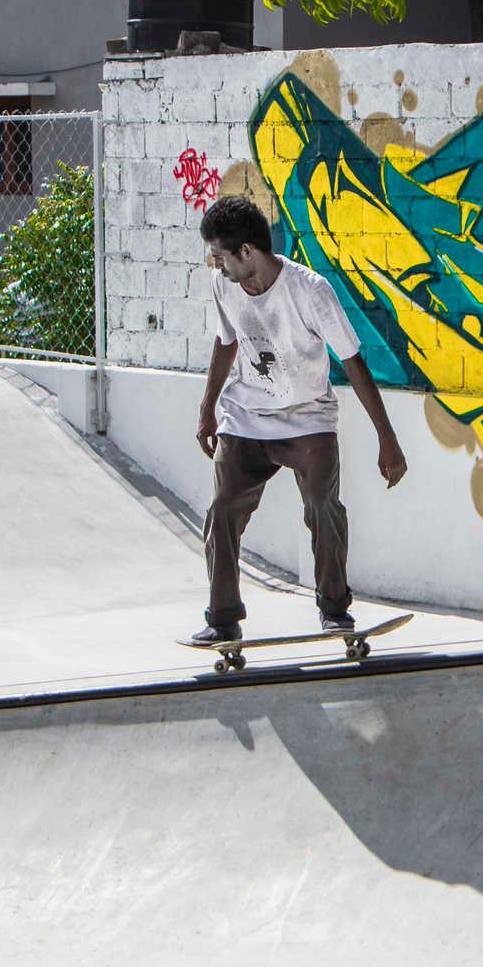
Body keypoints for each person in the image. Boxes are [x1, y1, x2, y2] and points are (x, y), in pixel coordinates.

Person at [192, 196, 407, 644]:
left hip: (308, 419)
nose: (217, 266)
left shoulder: (310, 290)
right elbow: (226, 340)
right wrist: (207, 406)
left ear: (247, 251)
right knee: (224, 509)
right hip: (246, 418)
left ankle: (334, 608)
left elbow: (352, 362)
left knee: (322, 507)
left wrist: (387, 438)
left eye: (221, 256)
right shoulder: (223, 284)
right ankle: (223, 617)